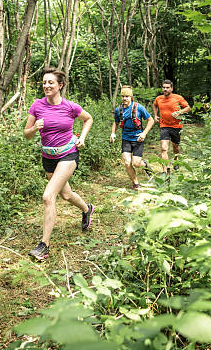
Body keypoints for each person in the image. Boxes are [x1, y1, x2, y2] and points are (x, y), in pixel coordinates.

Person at [24, 68, 94, 261]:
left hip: (68, 154)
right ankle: (87, 209)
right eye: (44, 82)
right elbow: (26, 134)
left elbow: (88, 119)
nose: (46, 86)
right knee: (66, 194)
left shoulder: (70, 106)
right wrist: (34, 128)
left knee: (48, 196)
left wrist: (83, 138)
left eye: (51, 83)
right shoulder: (37, 106)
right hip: (48, 156)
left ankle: (44, 246)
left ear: (60, 85)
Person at [110, 86, 155, 190]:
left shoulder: (139, 107)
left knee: (136, 163)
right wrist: (113, 133)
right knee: (127, 162)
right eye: (123, 96)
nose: (124, 98)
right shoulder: (119, 110)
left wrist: (144, 133)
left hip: (138, 138)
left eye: (127, 96)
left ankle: (145, 166)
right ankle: (136, 184)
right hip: (126, 138)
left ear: (131, 97)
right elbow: (116, 123)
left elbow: (151, 120)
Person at [152, 80, 190, 174]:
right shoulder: (159, 98)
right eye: (164, 87)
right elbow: (155, 105)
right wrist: (155, 115)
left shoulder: (178, 98)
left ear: (171, 88)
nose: (165, 89)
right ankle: (165, 170)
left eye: (167, 87)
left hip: (176, 126)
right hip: (164, 126)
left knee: (175, 148)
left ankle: (176, 159)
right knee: (164, 148)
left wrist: (179, 112)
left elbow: (188, 108)